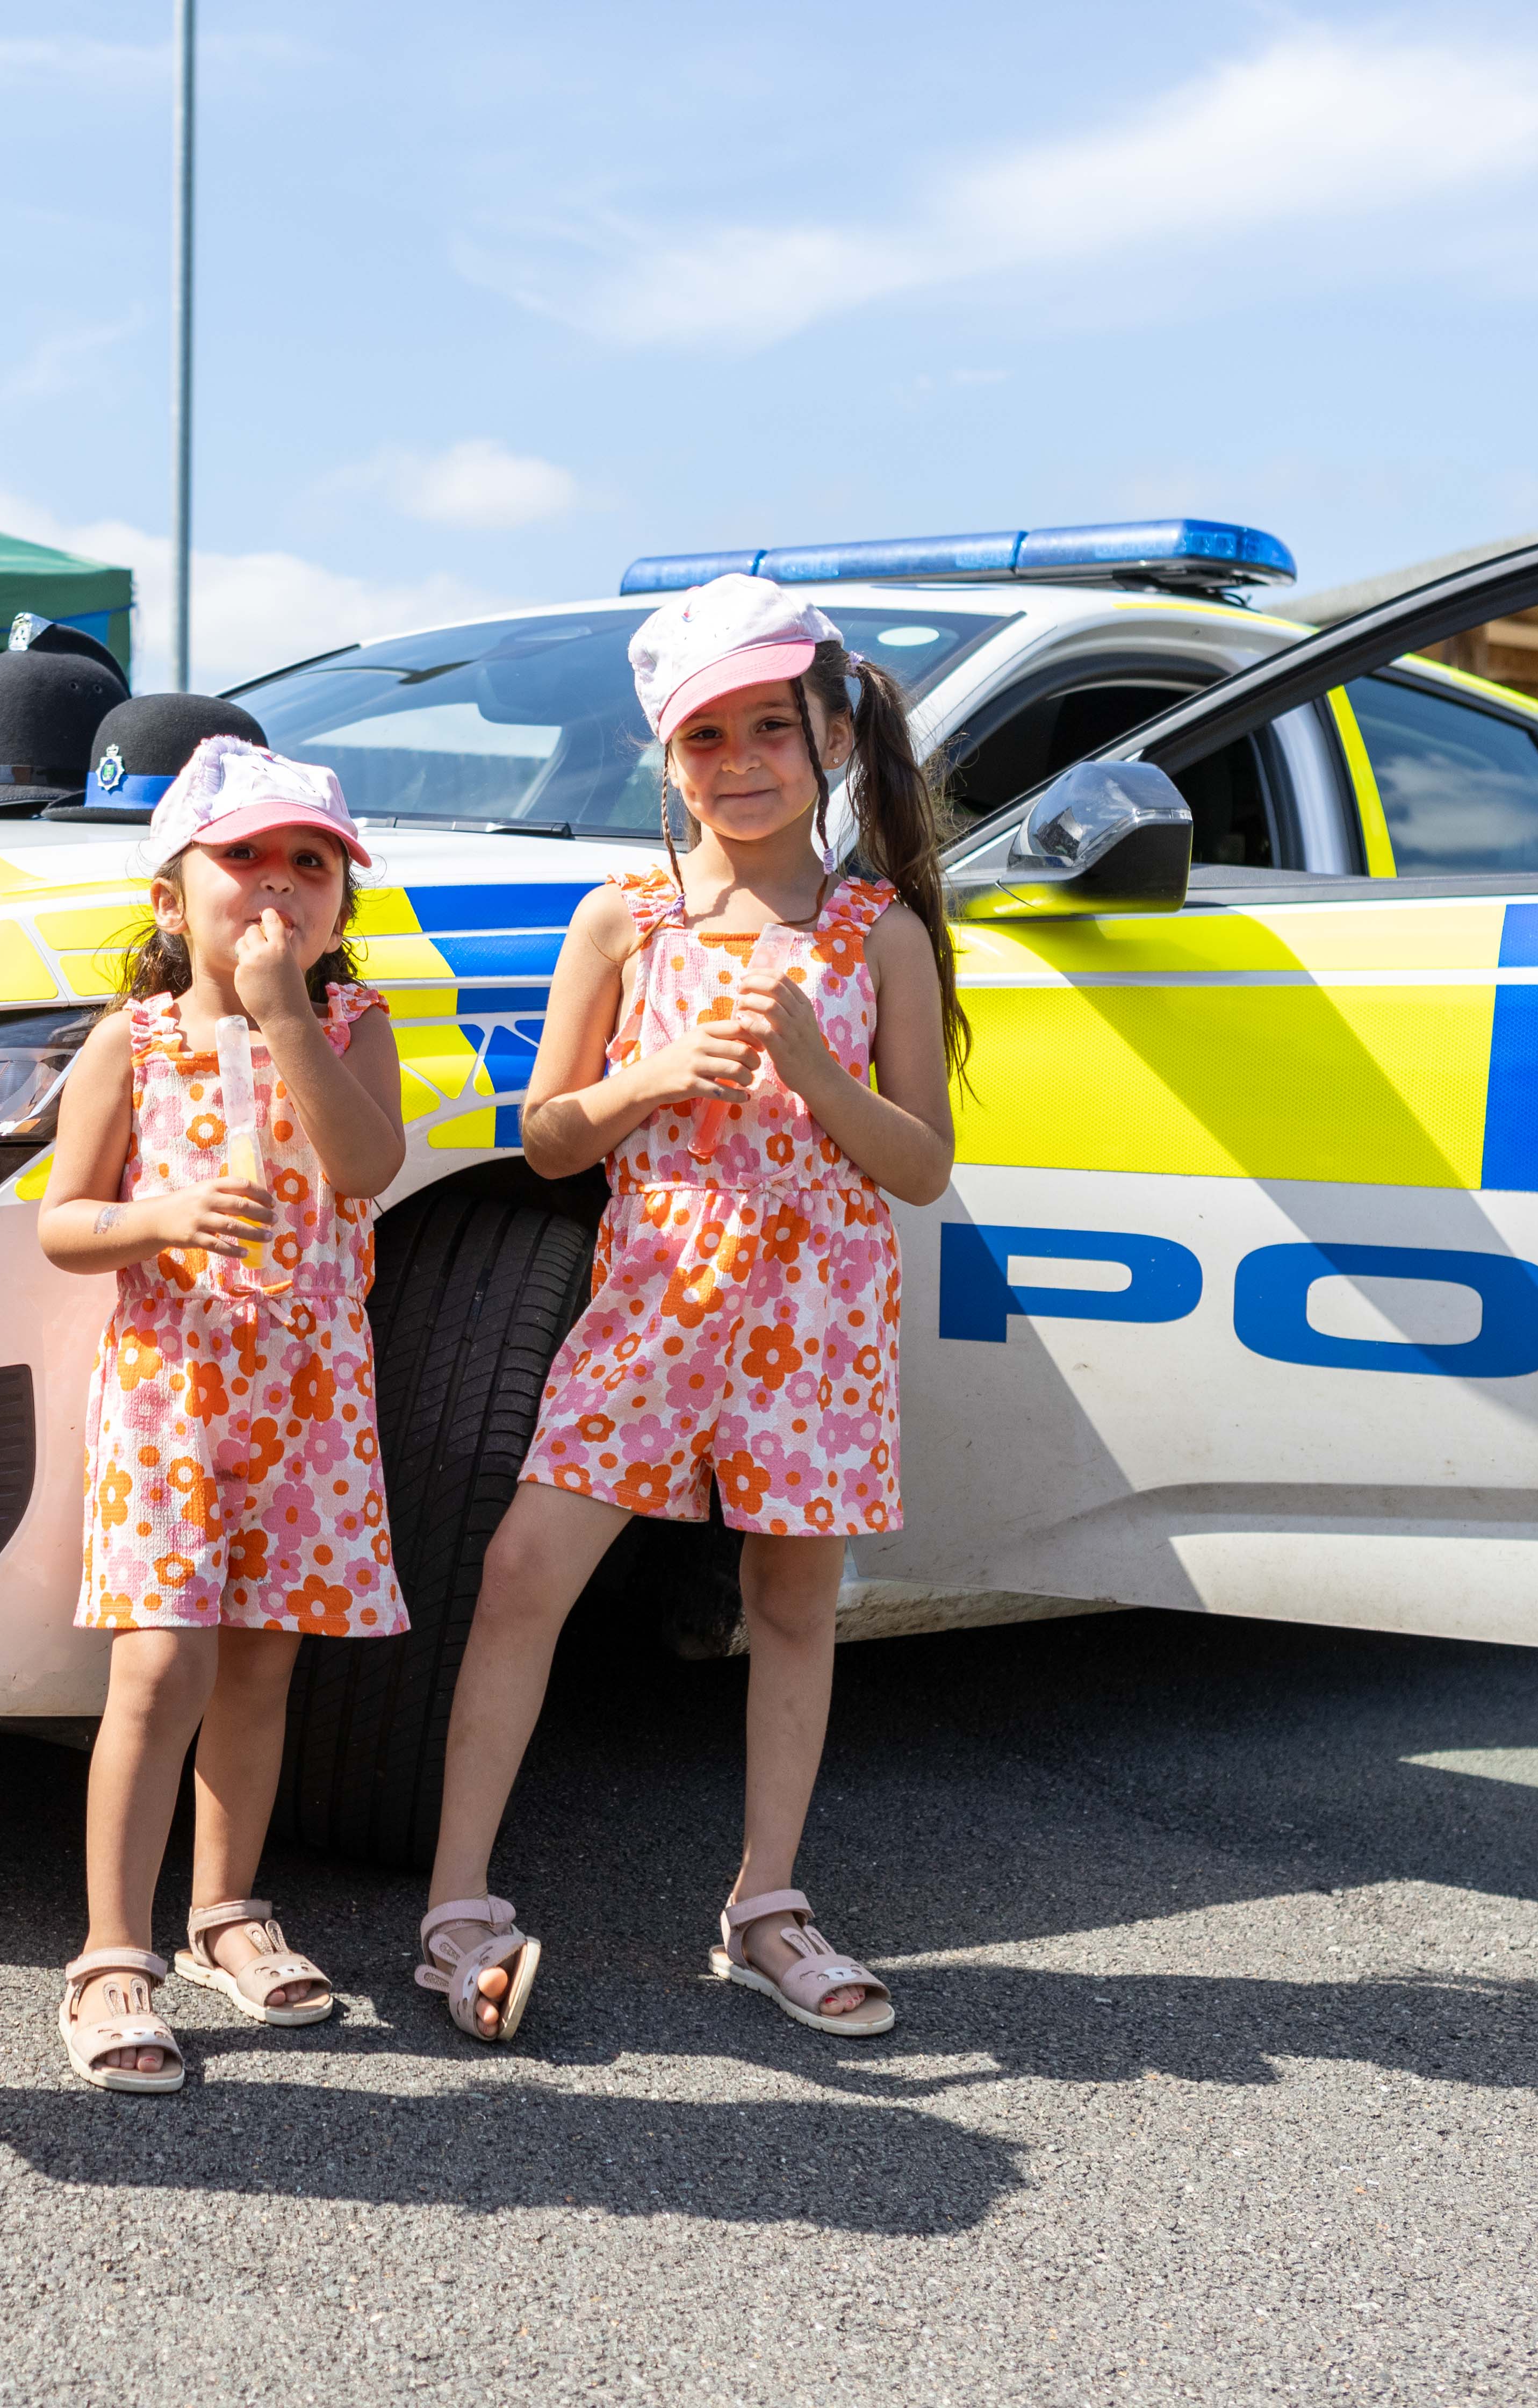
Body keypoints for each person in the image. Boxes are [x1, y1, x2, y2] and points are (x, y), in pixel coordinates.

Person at [414, 574, 968, 2046]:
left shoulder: (880, 935)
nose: (738, 764)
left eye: (769, 729)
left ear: (833, 736)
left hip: (819, 1313)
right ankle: (456, 1902)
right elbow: (546, 1136)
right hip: (655, 1295)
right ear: (667, 760)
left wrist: (819, 1069)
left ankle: (766, 1906)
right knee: (529, 1570)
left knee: (792, 1603)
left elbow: (921, 1164)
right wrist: (657, 1078)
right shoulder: (625, 918)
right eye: (704, 738)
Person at [33, 734, 407, 2092]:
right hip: (173, 1393)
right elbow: (65, 1224)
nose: (278, 887)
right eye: (242, 857)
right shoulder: (128, 1045)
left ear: (340, 911)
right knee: (156, 1665)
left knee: (263, 1661)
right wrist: (163, 1217)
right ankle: (111, 1947)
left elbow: (366, 1166)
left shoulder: (357, 1029)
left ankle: (226, 1910)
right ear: (169, 896)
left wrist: (290, 1020)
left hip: (310, 1399)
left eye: (311, 865)